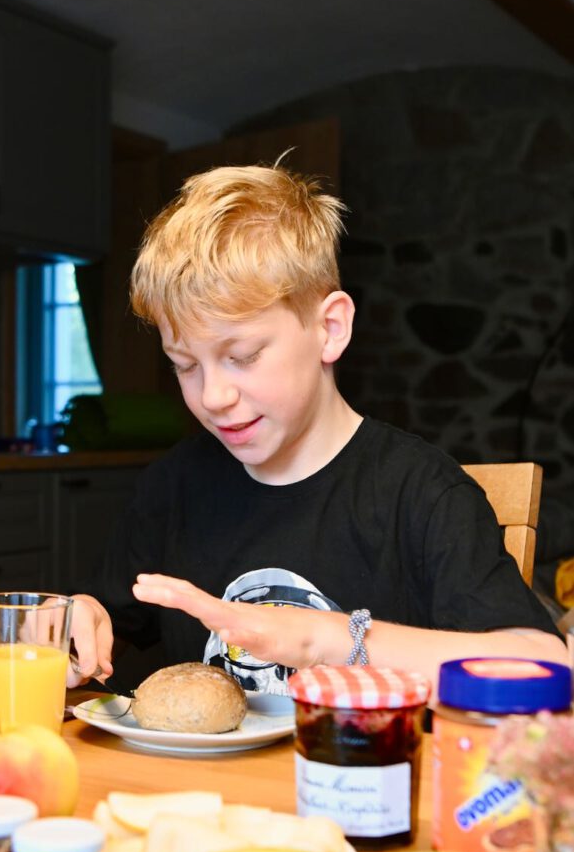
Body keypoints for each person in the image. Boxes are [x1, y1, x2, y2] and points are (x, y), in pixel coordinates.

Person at [68, 163, 565, 693]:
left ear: (330, 329)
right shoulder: (174, 487)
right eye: (185, 365)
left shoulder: (420, 493)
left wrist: (328, 640)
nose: (212, 396)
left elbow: (546, 665)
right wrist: (83, 617)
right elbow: (110, 618)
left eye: (243, 355)